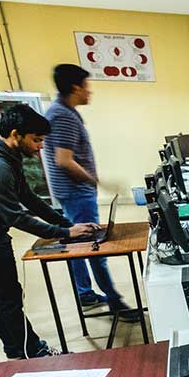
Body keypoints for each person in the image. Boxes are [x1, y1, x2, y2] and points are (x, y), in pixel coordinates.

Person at [0, 104, 99, 359]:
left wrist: (65, 223)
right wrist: (64, 233)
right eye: (36, 140)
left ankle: (15, 350)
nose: (41, 146)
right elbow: (15, 216)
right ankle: (30, 351)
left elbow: (28, 197)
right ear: (16, 134)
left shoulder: (4, 154)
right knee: (7, 295)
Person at [42, 64, 136, 321]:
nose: (89, 92)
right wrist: (98, 181)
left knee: (78, 244)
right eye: (86, 87)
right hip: (76, 192)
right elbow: (64, 160)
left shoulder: (62, 111)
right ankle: (114, 300)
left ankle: (85, 293)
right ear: (75, 88)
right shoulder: (62, 116)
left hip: (71, 191)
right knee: (94, 246)